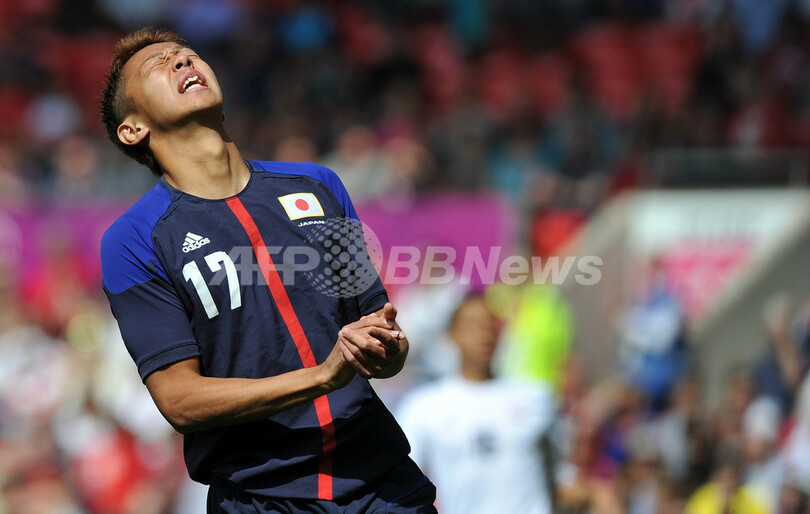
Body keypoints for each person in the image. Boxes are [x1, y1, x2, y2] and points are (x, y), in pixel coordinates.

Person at [98, 28, 435, 513]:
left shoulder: (319, 186)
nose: (182, 63)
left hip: (383, 485)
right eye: (159, 65)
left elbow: (380, 334)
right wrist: (322, 377)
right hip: (262, 498)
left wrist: (385, 351)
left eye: (188, 55)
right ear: (133, 129)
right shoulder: (134, 239)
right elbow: (179, 400)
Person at [396, 293, 558, 514]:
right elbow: (401, 485)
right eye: (472, 325)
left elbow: (562, 476)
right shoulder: (423, 407)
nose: (484, 333)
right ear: (451, 335)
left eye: (490, 324)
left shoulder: (536, 397)